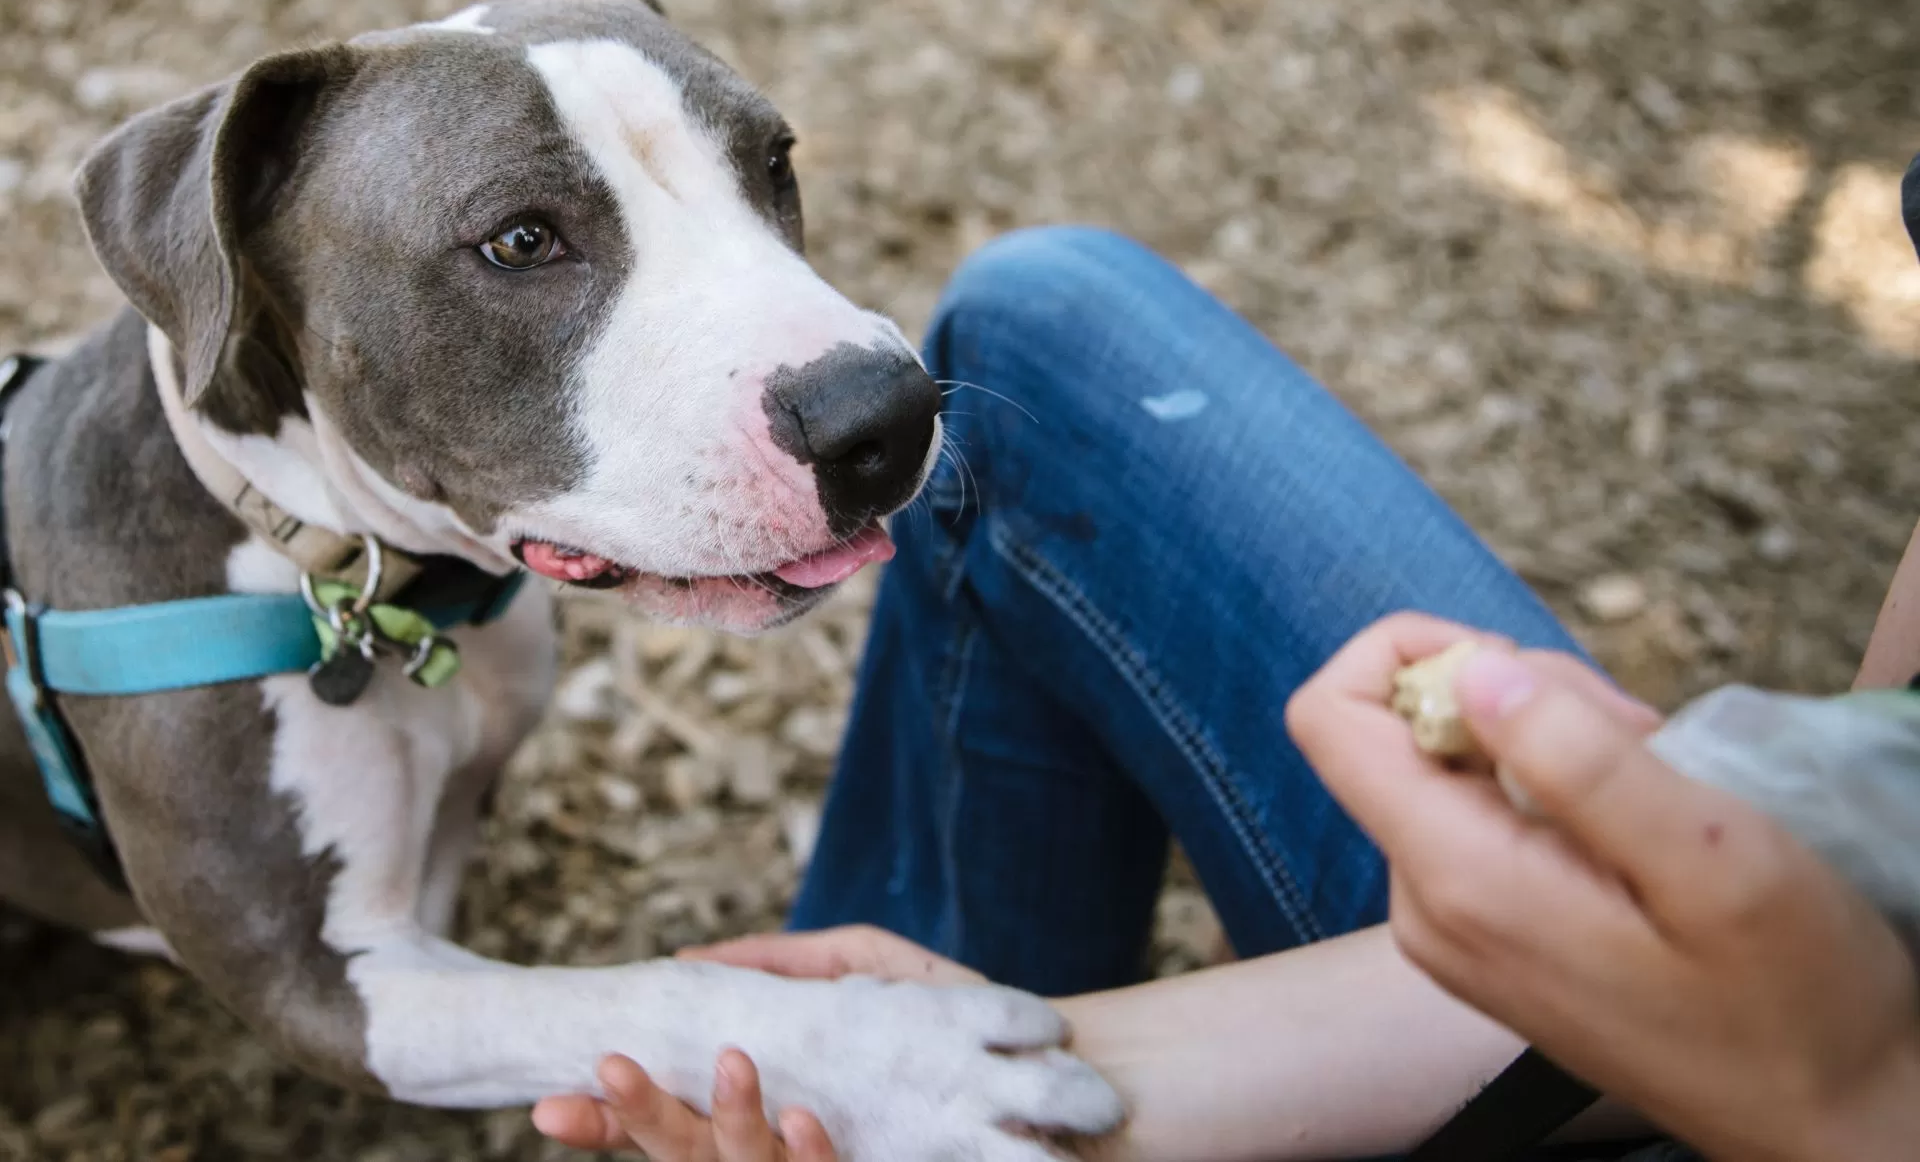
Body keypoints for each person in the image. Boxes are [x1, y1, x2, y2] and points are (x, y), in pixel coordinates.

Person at [530, 211, 1920, 1161]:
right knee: (1036, 336)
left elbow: (1798, 1023)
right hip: (1670, 1041)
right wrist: (987, 1064)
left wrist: (1845, 1094)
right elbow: (1867, 827)